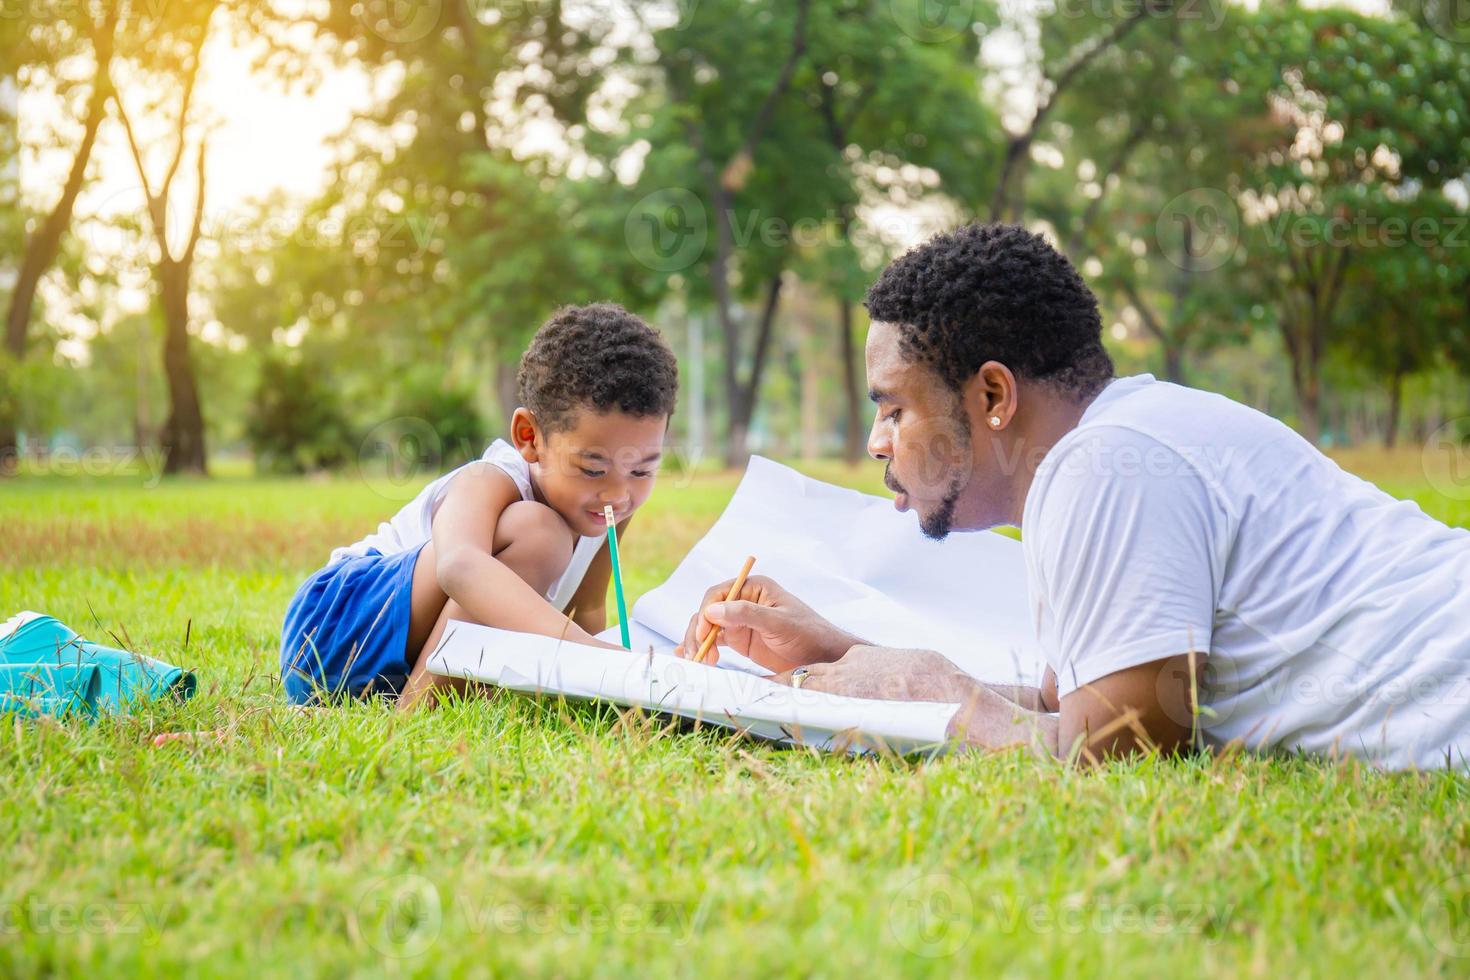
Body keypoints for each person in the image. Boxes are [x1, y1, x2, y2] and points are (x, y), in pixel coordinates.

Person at [678, 223, 1470, 770]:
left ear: (993, 394)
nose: (878, 443)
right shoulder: (1117, 444)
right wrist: (840, 651)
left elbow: (1120, 742)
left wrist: (934, 688)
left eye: (893, 408)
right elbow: (1073, 701)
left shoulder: (1109, 464)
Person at [281, 303, 678, 709]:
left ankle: (413, 699)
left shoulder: (610, 506)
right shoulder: (492, 478)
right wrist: (593, 655)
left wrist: (618, 688)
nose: (618, 494)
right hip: (333, 631)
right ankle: (413, 715)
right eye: (593, 469)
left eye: (643, 471)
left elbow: (587, 605)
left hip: (394, 668)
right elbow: (459, 565)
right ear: (529, 436)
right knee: (540, 534)